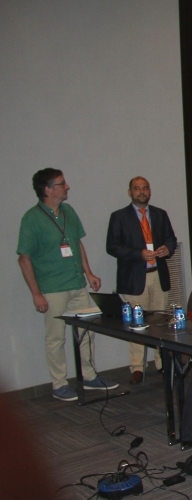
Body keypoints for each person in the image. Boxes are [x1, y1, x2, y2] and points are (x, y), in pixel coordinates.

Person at [16, 168, 118, 401]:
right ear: (48, 189)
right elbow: (24, 258)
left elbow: (76, 243)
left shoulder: (68, 211)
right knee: (56, 337)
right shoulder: (31, 219)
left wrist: (88, 272)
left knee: (87, 331)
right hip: (52, 289)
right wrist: (36, 294)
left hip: (77, 283)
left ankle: (89, 376)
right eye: (62, 184)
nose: (67, 187)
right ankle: (59, 384)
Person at [105, 176, 177, 384]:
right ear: (130, 192)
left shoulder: (160, 214)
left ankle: (161, 362)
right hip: (134, 279)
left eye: (145, 188)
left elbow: (171, 239)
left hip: (158, 275)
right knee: (136, 324)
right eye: (137, 189)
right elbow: (112, 246)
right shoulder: (119, 217)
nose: (141, 192)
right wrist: (138, 254)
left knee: (160, 321)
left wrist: (167, 248)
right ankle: (137, 367)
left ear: (149, 191)